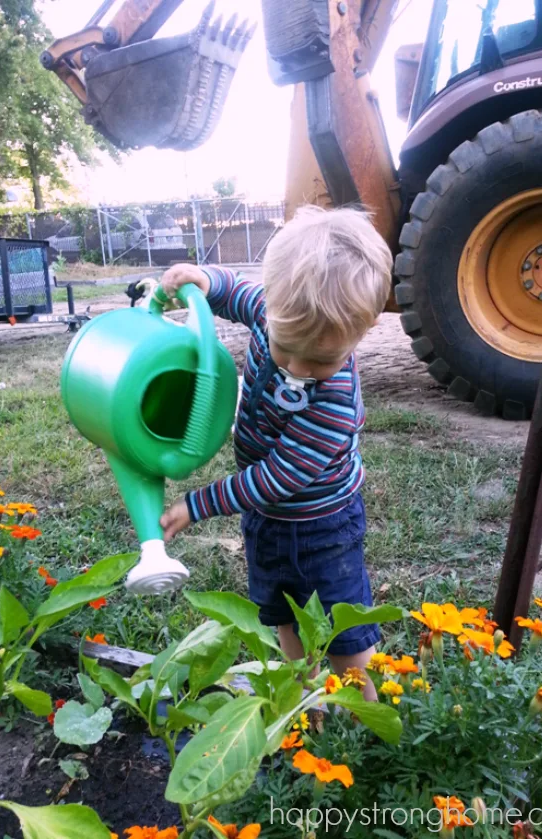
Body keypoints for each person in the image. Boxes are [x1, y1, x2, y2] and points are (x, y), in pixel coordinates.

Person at [159, 205, 392, 700]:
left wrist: (197, 504)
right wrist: (205, 279)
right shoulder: (274, 314)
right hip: (268, 523)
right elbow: (236, 295)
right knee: (283, 614)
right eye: (286, 348)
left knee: (343, 630)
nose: (300, 368)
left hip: (323, 528)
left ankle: (365, 718)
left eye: (322, 358)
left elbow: (276, 478)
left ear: (364, 330)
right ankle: (304, 706)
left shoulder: (333, 402)